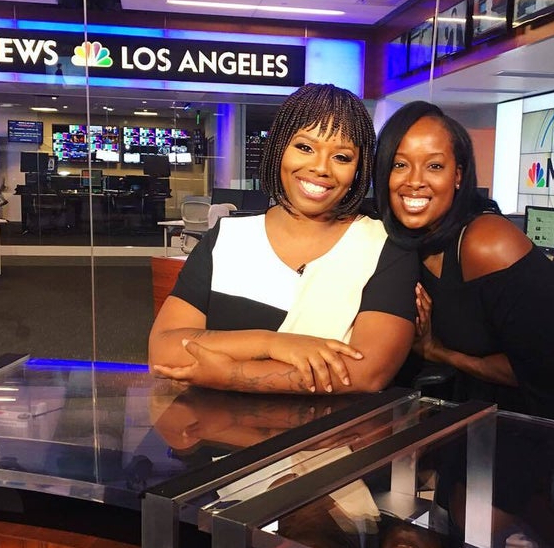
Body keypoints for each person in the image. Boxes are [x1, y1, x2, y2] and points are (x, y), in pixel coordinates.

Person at [373, 100, 554, 440]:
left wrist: (439, 352)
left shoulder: (485, 243)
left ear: (458, 176)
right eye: (400, 164)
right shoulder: (407, 242)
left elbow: (536, 366)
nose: (414, 182)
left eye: (434, 166)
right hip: (504, 390)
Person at [148, 83, 418, 395]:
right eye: (305, 147)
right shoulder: (228, 238)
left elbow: (367, 373)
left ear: (359, 169)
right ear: (279, 148)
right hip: (215, 438)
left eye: (342, 157)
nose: (320, 168)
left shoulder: (384, 246)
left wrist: (234, 373)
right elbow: (164, 350)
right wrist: (273, 343)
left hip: (331, 440)